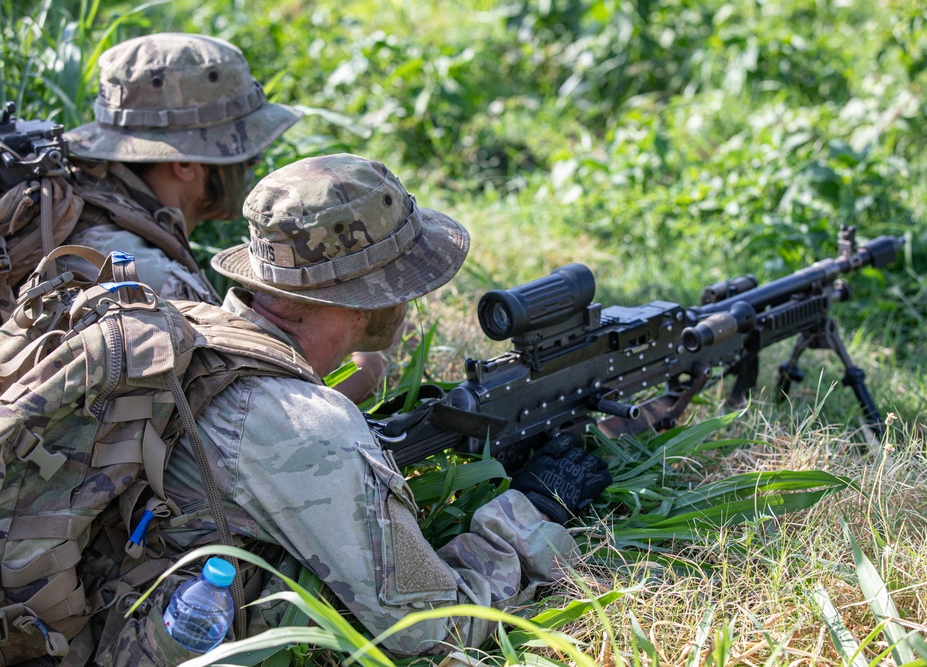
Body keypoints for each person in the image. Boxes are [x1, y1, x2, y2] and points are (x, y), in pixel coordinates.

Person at [141, 154, 610, 658]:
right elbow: (429, 632)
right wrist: (529, 513)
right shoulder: (309, 429)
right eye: (407, 278)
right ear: (371, 297)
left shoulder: (188, 332)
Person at [60, 32, 383, 402]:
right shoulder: (152, 285)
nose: (256, 163)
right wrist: (366, 372)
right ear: (183, 162)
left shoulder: (75, 195)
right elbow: (249, 413)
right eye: (243, 151)